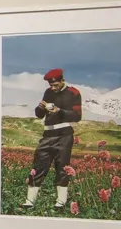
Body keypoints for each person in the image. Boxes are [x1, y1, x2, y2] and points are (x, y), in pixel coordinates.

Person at [23, 68, 82, 209]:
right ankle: (30, 201)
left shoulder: (74, 93)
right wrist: (40, 107)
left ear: (62, 81)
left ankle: (60, 202)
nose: (53, 88)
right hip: (47, 135)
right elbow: (39, 115)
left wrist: (59, 111)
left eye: (55, 85)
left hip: (64, 135)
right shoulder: (48, 93)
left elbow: (77, 116)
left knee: (62, 167)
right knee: (38, 166)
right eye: (51, 85)